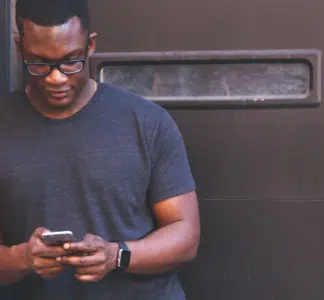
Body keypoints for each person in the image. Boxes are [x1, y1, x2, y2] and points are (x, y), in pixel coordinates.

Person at [0, 0, 200, 299]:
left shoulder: (146, 121)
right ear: (19, 50)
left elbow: (186, 236)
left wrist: (116, 255)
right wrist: (24, 258)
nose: (57, 77)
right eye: (39, 62)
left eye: (71, 61)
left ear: (90, 45)